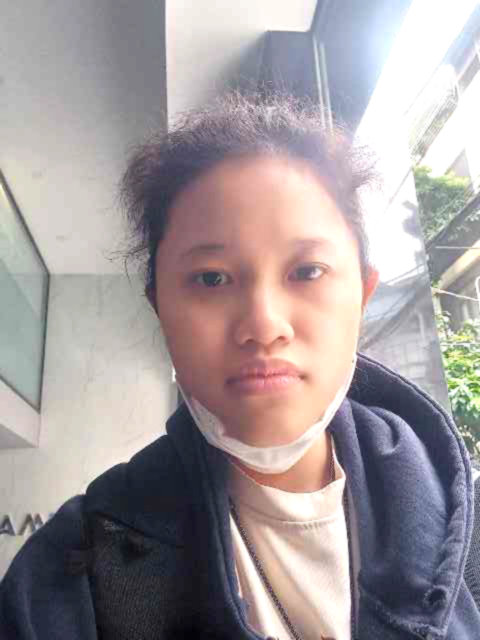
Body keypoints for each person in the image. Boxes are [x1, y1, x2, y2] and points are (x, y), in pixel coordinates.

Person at [1, 90, 480, 640]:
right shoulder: (75, 574)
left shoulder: (467, 525)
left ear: (363, 295)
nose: (264, 324)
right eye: (211, 278)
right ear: (160, 307)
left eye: (307, 271)